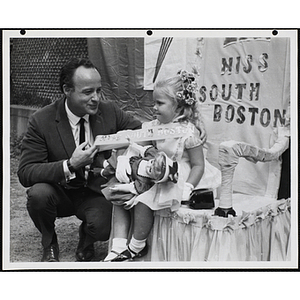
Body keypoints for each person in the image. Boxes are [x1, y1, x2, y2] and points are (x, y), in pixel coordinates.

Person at [17, 58, 141, 262]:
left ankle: (87, 239)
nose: (96, 98)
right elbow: (26, 172)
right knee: (38, 195)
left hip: (95, 192)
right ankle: (49, 243)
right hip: (59, 192)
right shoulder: (41, 120)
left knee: (105, 223)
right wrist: (70, 165)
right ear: (67, 90)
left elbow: (141, 131)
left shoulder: (109, 112)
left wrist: (184, 129)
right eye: (87, 92)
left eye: (99, 90)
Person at [104, 70, 221, 262]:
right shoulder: (154, 126)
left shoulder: (188, 133)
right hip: (158, 170)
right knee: (121, 194)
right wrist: (126, 157)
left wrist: (188, 187)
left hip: (181, 175)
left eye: (160, 103)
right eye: (154, 103)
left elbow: (198, 165)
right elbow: (137, 143)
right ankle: (117, 247)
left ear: (178, 106)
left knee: (143, 201)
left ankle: (136, 246)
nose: (154, 108)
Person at [99, 141, 179, 207]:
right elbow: (142, 149)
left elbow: (131, 187)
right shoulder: (152, 155)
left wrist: (119, 188)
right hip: (127, 161)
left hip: (127, 175)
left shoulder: (144, 182)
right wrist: (133, 144)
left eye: (150, 170)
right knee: (111, 165)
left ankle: (101, 172)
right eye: (152, 162)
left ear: (154, 179)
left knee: (111, 175)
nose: (149, 165)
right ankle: (103, 163)